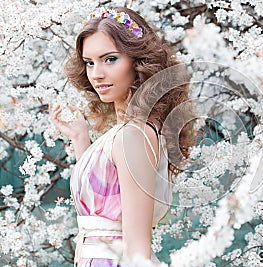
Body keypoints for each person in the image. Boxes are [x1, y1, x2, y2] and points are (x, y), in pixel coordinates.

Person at [49, 6, 194, 266]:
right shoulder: (125, 133)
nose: (96, 74)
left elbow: (137, 250)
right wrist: (80, 138)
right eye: (89, 63)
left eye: (110, 59)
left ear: (138, 61)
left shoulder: (134, 135)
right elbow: (105, 204)